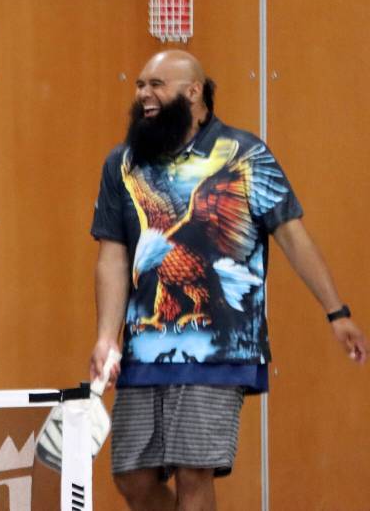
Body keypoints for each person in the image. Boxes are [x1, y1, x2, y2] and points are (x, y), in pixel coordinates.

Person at [88, 49, 366, 511]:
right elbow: (112, 258)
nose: (142, 95)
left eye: (156, 84)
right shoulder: (123, 163)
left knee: (194, 473)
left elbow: (292, 236)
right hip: (145, 343)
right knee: (131, 477)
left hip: (222, 345)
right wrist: (105, 338)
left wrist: (336, 311)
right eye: (139, 85)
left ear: (193, 92)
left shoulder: (245, 154)